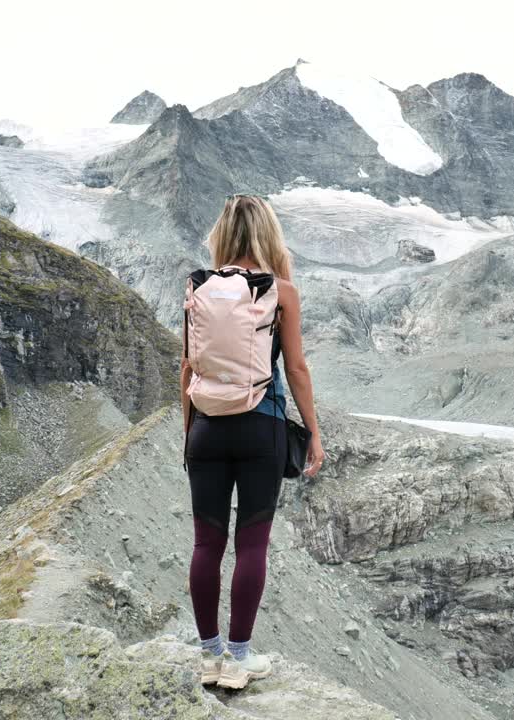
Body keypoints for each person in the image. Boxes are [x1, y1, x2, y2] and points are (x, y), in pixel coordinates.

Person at [181, 193, 325, 690]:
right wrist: (313, 432)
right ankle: (239, 660)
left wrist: (191, 432)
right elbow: (298, 368)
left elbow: (186, 368)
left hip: (206, 428)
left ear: (221, 234)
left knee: (207, 543)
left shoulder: (197, 286)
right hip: (261, 428)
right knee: (252, 544)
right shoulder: (280, 290)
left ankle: (209, 656)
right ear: (268, 234)